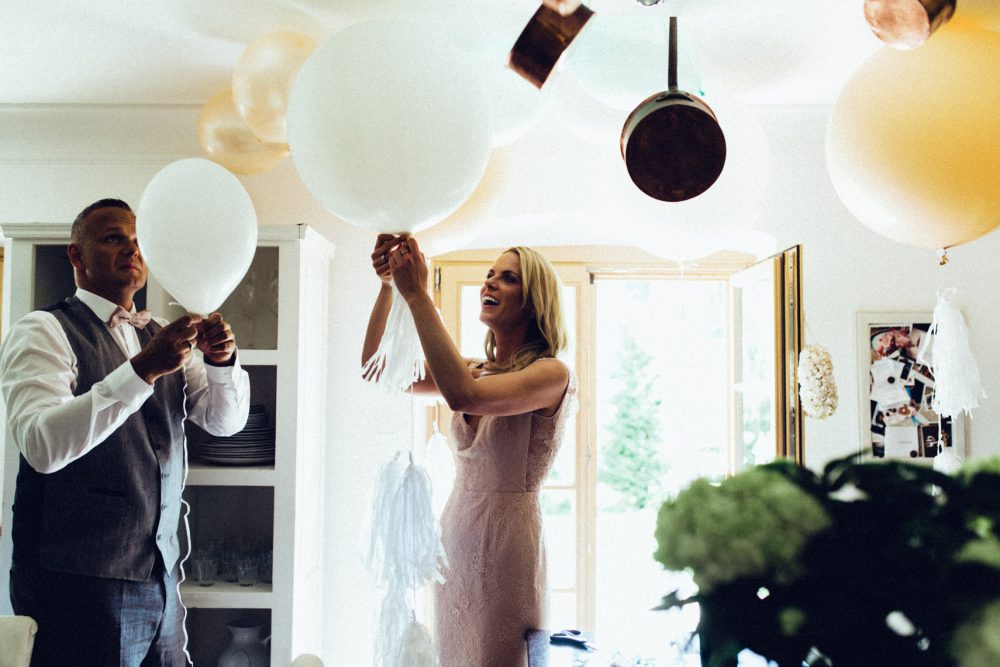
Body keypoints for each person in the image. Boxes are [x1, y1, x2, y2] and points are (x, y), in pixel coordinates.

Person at [0, 198, 251, 666]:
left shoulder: (160, 333)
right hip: (76, 584)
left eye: (139, 241)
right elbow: (41, 446)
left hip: (161, 579)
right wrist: (142, 370)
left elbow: (225, 422)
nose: (131, 249)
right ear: (76, 255)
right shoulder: (42, 331)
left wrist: (221, 363)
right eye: (114, 238)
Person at [363, 234, 576, 667]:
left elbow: (463, 397)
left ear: (535, 302)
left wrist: (419, 295)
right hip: (455, 542)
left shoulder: (552, 373)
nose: (490, 283)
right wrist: (388, 287)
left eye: (508, 278)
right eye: (489, 275)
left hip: (510, 549)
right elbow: (378, 368)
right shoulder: (474, 369)